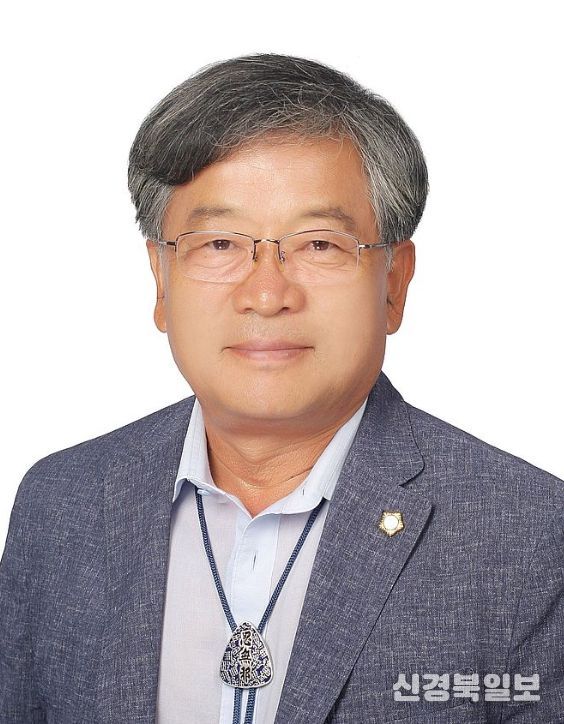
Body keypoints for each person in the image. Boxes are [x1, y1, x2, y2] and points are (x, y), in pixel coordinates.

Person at [0, 53, 562, 724]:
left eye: (320, 245)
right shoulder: (61, 504)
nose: (267, 294)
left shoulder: (529, 536)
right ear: (160, 280)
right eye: (218, 244)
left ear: (393, 283)